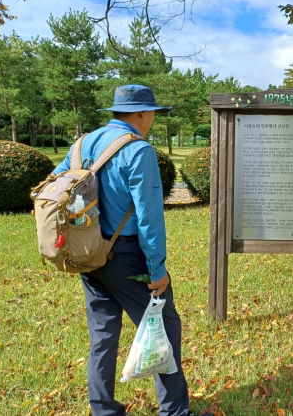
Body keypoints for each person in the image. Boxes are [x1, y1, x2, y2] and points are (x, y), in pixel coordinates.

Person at [53, 85, 212, 416]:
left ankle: (104, 410)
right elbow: (149, 218)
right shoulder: (139, 151)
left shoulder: (82, 143)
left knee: (103, 335)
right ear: (141, 113)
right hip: (127, 257)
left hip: (88, 253)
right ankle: (175, 412)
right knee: (164, 328)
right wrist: (157, 271)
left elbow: (55, 186)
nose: (153, 117)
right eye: (152, 111)